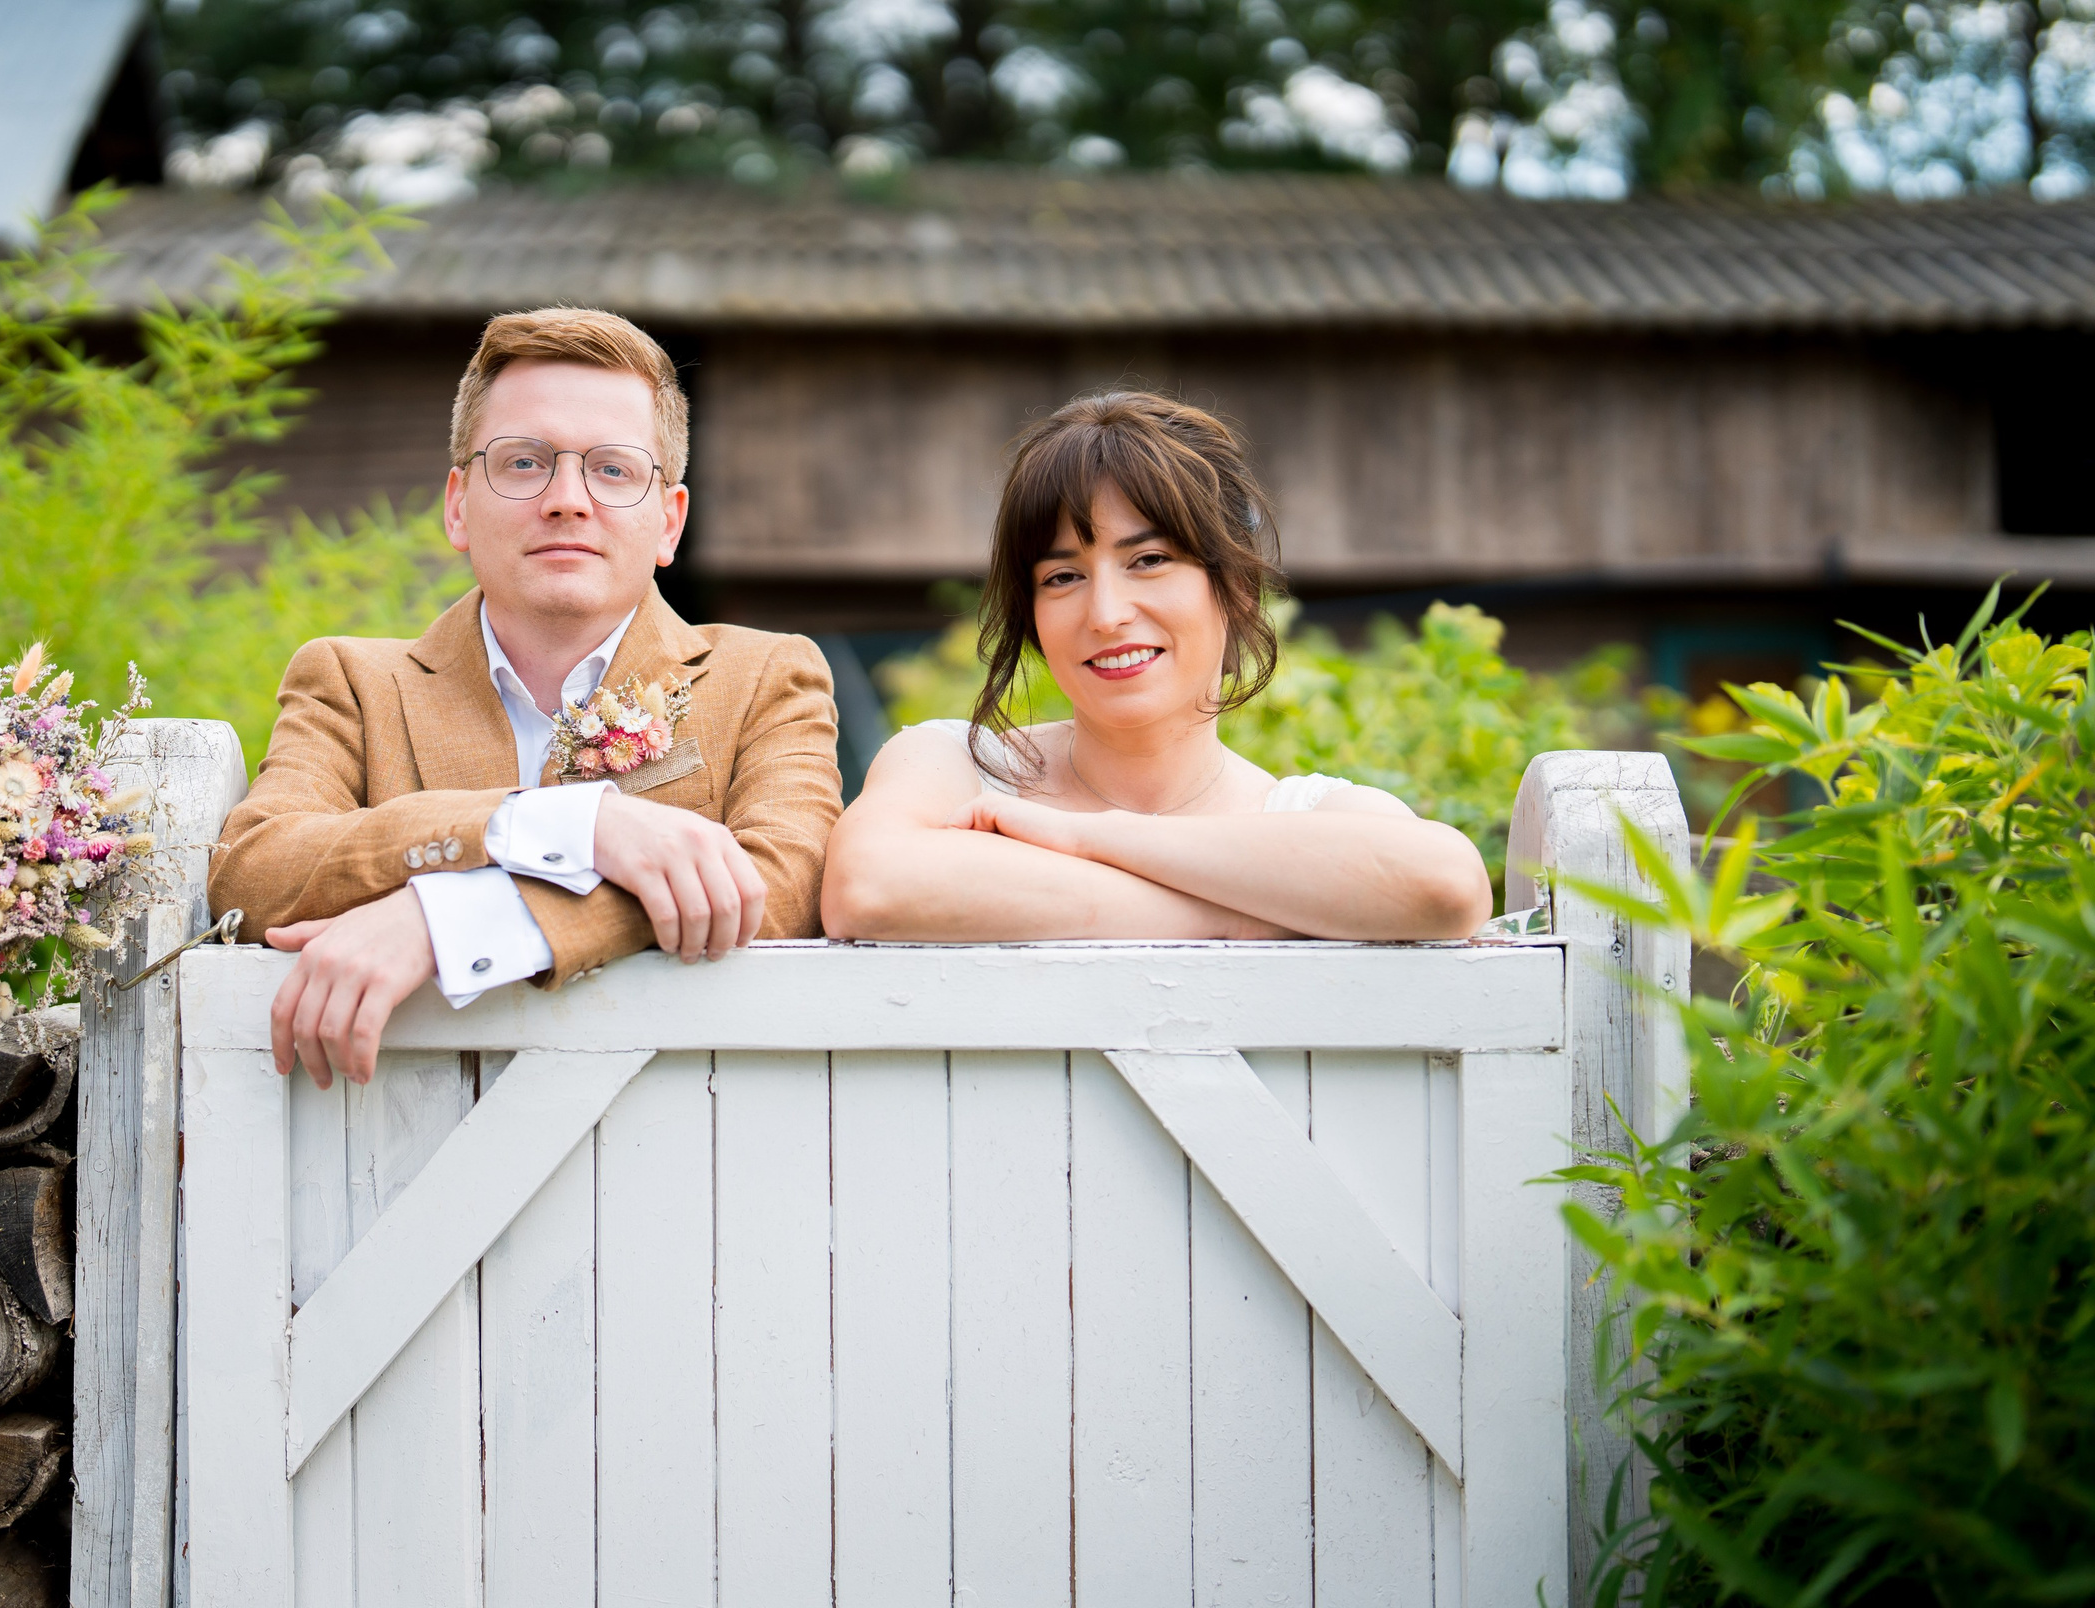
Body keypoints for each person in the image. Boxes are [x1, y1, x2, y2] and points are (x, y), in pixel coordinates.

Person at [209, 307, 842, 1089]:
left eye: (612, 469)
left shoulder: (766, 677)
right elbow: (251, 877)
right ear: (457, 505)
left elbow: (787, 887)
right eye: (521, 463)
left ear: (669, 521)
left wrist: (451, 922)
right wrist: (557, 825)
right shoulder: (349, 681)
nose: (566, 499)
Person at [822, 391, 1491, 945]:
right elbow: (867, 887)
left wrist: (1095, 838)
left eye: (1149, 560)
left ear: (1234, 588)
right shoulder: (957, 767)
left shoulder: (1312, 812)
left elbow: (1447, 888)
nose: (1107, 613)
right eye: (1062, 576)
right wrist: (1230, 914)